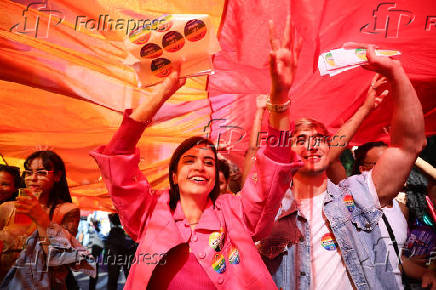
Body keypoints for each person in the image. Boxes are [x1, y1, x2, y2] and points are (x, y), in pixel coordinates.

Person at [90, 52, 302, 288]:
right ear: (174, 176)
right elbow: (117, 157)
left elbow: (274, 163)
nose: (200, 166)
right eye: (189, 160)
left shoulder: (235, 212)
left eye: (209, 162)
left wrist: (280, 99)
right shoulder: (148, 211)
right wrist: (162, 93)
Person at [258, 16, 428, 290]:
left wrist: (396, 74)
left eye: (320, 139)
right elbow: (267, 159)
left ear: (330, 148)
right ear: (288, 152)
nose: (312, 144)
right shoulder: (268, 209)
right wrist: (278, 96)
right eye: (301, 139)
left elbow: (407, 145)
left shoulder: (359, 194)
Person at [0, 151, 95, 289]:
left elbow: (58, 259)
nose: (33, 178)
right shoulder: (6, 208)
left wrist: (40, 218)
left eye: (41, 172)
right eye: (29, 172)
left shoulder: (67, 210)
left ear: (57, 176)